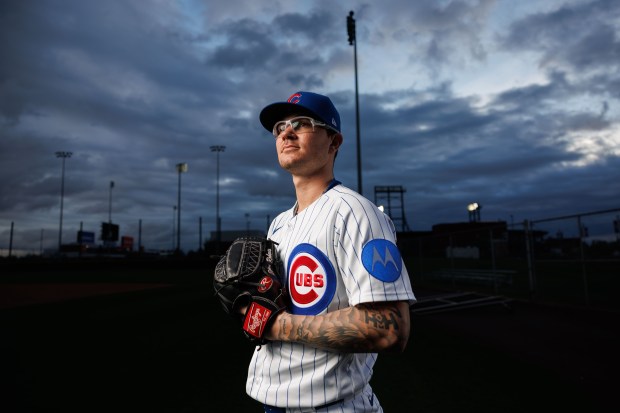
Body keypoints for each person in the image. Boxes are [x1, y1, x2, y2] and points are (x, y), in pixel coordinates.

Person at [247, 91, 416, 412]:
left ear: (333, 142)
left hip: (331, 405)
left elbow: (390, 328)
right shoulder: (280, 223)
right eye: (280, 127)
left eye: (302, 123)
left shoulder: (356, 212)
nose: (286, 132)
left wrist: (275, 325)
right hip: (272, 401)